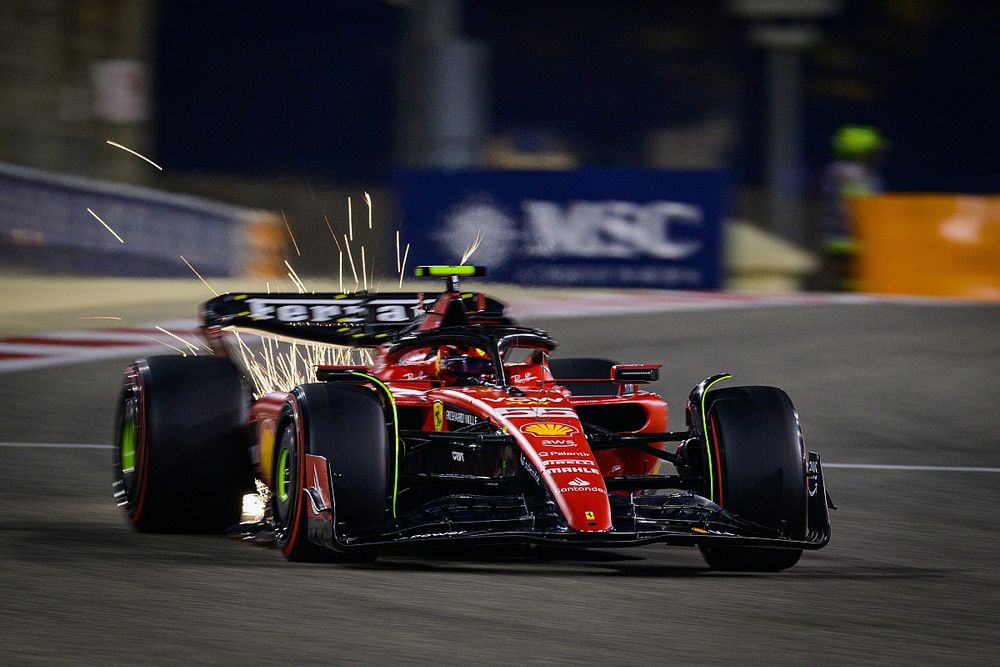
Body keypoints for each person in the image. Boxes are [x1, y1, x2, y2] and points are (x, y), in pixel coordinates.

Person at [819, 125, 888, 290]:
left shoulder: (846, 171)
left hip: (845, 238)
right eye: (871, 151)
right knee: (851, 285)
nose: (875, 155)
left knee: (851, 284)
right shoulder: (850, 173)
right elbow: (861, 205)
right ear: (858, 151)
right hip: (848, 239)